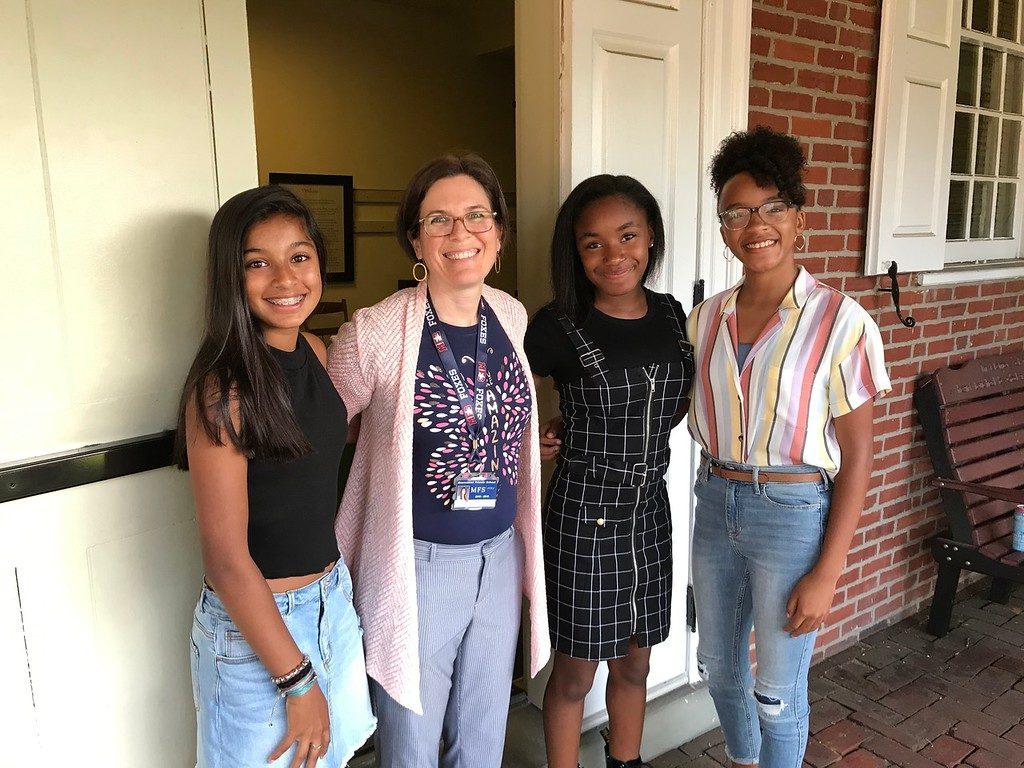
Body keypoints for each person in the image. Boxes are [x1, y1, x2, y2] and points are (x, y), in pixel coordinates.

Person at [327, 153, 551, 767]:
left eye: (477, 216)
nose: (461, 234)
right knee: (411, 740)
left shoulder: (510, 315)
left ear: (499, 235)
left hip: (498, 554)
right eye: (439, 220)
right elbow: (319, 434)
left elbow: (496, 411)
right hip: (417, 563)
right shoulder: (375, 333)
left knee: (483, 726)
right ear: (415, 241)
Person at [688, 127, 891, 768]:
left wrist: (828, 573)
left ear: (799, 218)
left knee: (777, 691)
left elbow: (858, 457)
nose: (756, 226)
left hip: (791, 513)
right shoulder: (705, 319)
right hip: (716, 502)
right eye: (737, 213)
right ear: (723, 226)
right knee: (718, 669)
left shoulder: (842, 322)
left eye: (772, 208)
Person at [175, 186, 375, 768]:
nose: (286, 279)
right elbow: (226, 559)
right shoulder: (222, 390)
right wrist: (297, 681)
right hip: (259, 625)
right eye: (258, 263)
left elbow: (313, 444)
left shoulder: (314, 348)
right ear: (229, 279)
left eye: (300, 256)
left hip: (332, 601)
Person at [525, 174, 694, 768]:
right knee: (576, 666)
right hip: (582, 511)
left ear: (651, 239)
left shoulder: (676, 319)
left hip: (650, 504)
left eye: (628, 236)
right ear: (575, 251)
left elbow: (675, 406)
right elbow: (512, 394)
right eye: (592, 242)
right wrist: (542, 431)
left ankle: (626, 763)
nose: (613, 254)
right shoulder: (555, 325)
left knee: (636, 658)